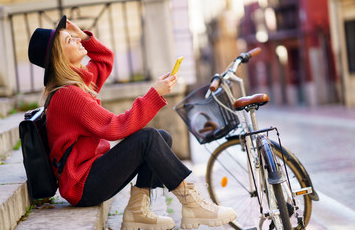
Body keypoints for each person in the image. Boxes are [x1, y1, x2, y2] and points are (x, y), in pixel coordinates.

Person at [28, 15, 236, 230]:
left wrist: (83, 36)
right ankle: (191, 202)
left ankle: (137, 210)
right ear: (59, 57)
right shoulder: (68, 94)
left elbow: (104, 59)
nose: (77, 40)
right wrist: (154, 94)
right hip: (82, 185)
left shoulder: (77, 83)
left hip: (90, 174)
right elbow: (116, 127)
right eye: (69, 41)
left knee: (162, 137)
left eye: (74, 37)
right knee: (149, 138)